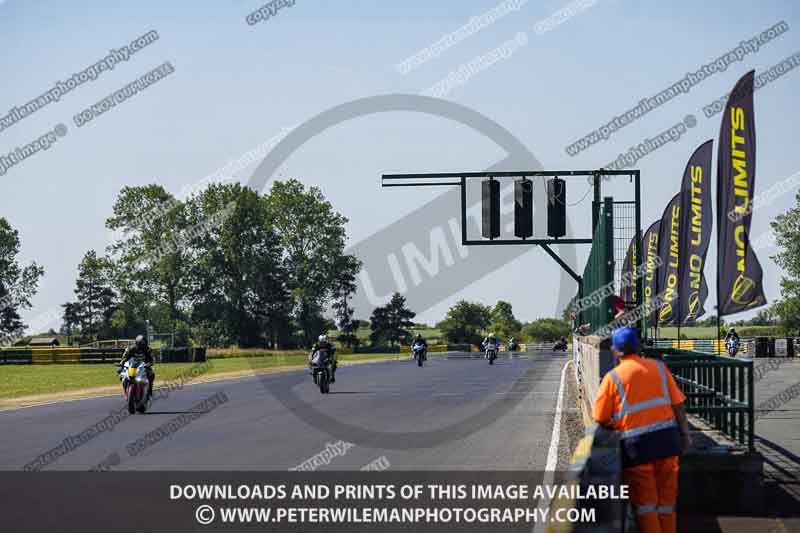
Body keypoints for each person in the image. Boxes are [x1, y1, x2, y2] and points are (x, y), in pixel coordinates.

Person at [592, 326, 691, 533]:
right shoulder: (659, 368)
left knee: (646, 505)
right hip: (668, 443)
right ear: (638, 346)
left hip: (637, 449)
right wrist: (685, 434)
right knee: (667, 503)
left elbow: (599, 417)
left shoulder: (613, 378)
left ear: (616, 351)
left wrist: (615, 424)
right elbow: (678, 405)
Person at [118, 334, 155, 398]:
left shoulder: (148, 350)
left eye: (144, 345)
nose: (142, 347)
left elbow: (152, 359)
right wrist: (121, 364)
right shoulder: (130, 348)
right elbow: (124, 358)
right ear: (136, 343)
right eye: (141, 345)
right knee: (122, 376)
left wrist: (149, 364)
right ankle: (126, 391)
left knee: (152, 374)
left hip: (143, 366)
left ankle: (150, 391)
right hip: (132, 366)